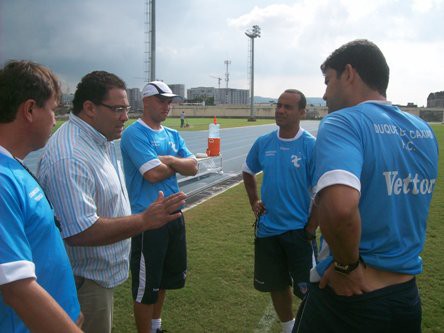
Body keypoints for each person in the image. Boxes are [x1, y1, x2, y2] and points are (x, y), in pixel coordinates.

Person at [293, 39, 439, 333]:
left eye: (327, 81)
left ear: (349, 73)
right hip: (405, 297)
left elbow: (340, 210)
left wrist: (348, 266)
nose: (324, 93)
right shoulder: (423, 130)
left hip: (351, 298)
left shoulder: (342, 123)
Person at [37, 72, 186, 333]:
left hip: (97, 277)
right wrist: (144, 220)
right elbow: (81, 232)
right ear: (90, 108)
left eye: (126, 108)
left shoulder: (100, 140)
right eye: (118, 109)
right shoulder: (71, 156)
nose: (125, 117)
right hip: (84, 282)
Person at [0, 60, 82, 332]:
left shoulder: (14, 167)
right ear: (30, 110)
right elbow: (17, 290)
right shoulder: (2, 180)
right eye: (53, 110)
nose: (55, 119)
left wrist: (70, 310)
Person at [121, 81, 198, 333]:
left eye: (169, 101)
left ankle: (156, 327)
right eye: (162, 100)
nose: (168, 106)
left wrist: (169, 160)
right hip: (148, 221)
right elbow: (152, 174)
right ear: (146, 102)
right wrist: (178, 164)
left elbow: (194, 166)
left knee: (162, 279)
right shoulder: (135, 133)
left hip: (174, 217)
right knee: (146, 287)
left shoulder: (172, 134)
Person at [242, 89, 318, 333]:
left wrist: (310, 228)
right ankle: (288, 328)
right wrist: (254, 200)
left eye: (288, 107)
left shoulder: (310, 146)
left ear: (302, 112)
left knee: (310, 289)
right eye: (279, 105)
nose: (281, 110)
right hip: (268, 230)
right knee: (276, 284)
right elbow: (247, 170)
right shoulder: (264, 142)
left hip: (299, 232)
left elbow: (322, 192)